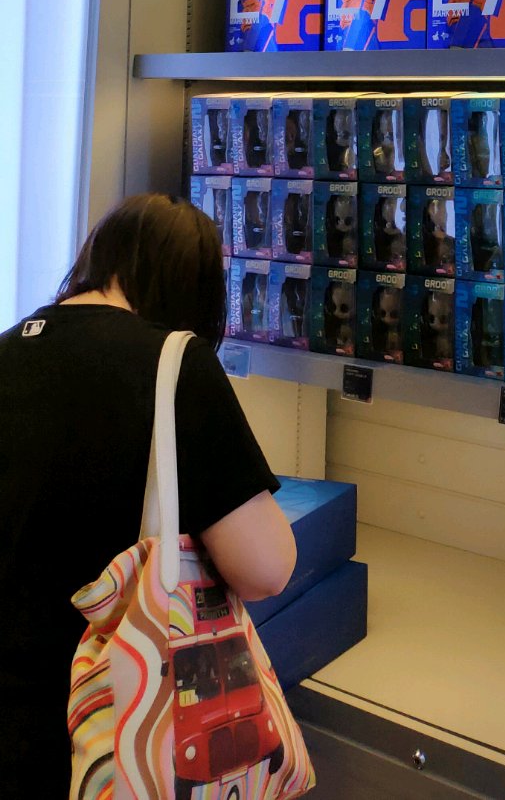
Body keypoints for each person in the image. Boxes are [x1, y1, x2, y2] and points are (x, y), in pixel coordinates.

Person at [0, 193, 297, 793]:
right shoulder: (175, 363)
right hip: (102, 727)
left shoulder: (8, 346)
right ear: (191, 292)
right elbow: (266, 569)